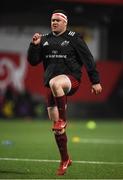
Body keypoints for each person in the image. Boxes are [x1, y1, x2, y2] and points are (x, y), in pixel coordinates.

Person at [27, 9, 102, 175]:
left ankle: (62, 119)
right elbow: (33, 62)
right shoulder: (44, 39)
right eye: (52, 20)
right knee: (57, 129)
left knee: (56, 84)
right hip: (53, 87)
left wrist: (95, 80)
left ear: (65, 23)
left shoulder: (74, 38)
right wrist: (34, 45)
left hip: (70, 80)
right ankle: (65, 159)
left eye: (58, 20)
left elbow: (87, 58)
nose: (54, 22)